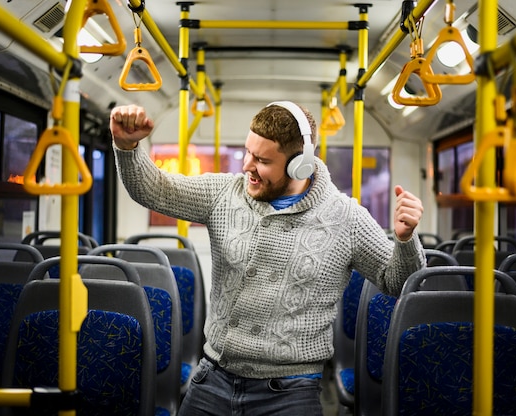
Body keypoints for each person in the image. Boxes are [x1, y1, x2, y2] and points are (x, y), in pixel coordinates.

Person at [110, 101, 425, 415]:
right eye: (248, 152)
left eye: (261, 160)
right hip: (213, 377)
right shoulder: (226, 193)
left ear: (298, 164)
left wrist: (406, 240)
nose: (247, 165)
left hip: (291, 390)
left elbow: (400, 282)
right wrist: (128, 147)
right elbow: (154, 190)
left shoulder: (346, 219)